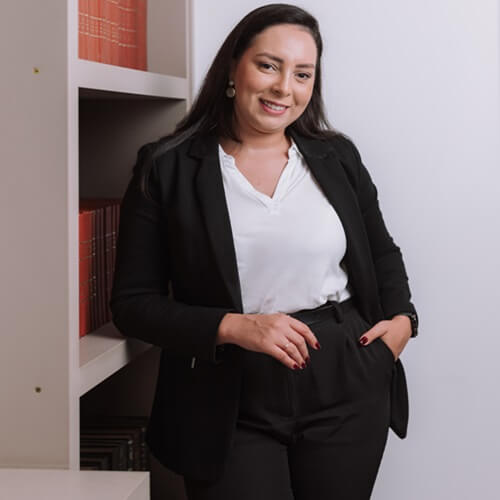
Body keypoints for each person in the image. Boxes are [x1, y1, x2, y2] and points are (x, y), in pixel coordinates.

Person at [110, 3, 419, 499]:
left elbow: (381, 253)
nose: (284, 88)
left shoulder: (337, 157)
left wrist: (403, 321)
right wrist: (234, 327)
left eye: (302, 74)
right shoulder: (167, 167)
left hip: (346, 376)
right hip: (226, 393)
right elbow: (132, 304)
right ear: (234, 67)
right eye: (269, 66)